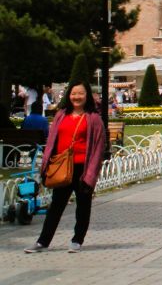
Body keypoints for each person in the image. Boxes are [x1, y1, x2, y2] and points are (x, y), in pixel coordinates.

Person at [25, 81, 105, 254]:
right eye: (73, 93)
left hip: (83, 168)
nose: (76, 97)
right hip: (62, 166)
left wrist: (91, 173)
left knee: (83, 206)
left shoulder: (93, 118)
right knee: (56, 206)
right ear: (69, 95)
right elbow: (52, 141)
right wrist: (47, 164)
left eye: (80, 93)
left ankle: (77, 240)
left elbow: (99, 147)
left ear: (87, 96)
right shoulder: (62, 115)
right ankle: (42, 241)